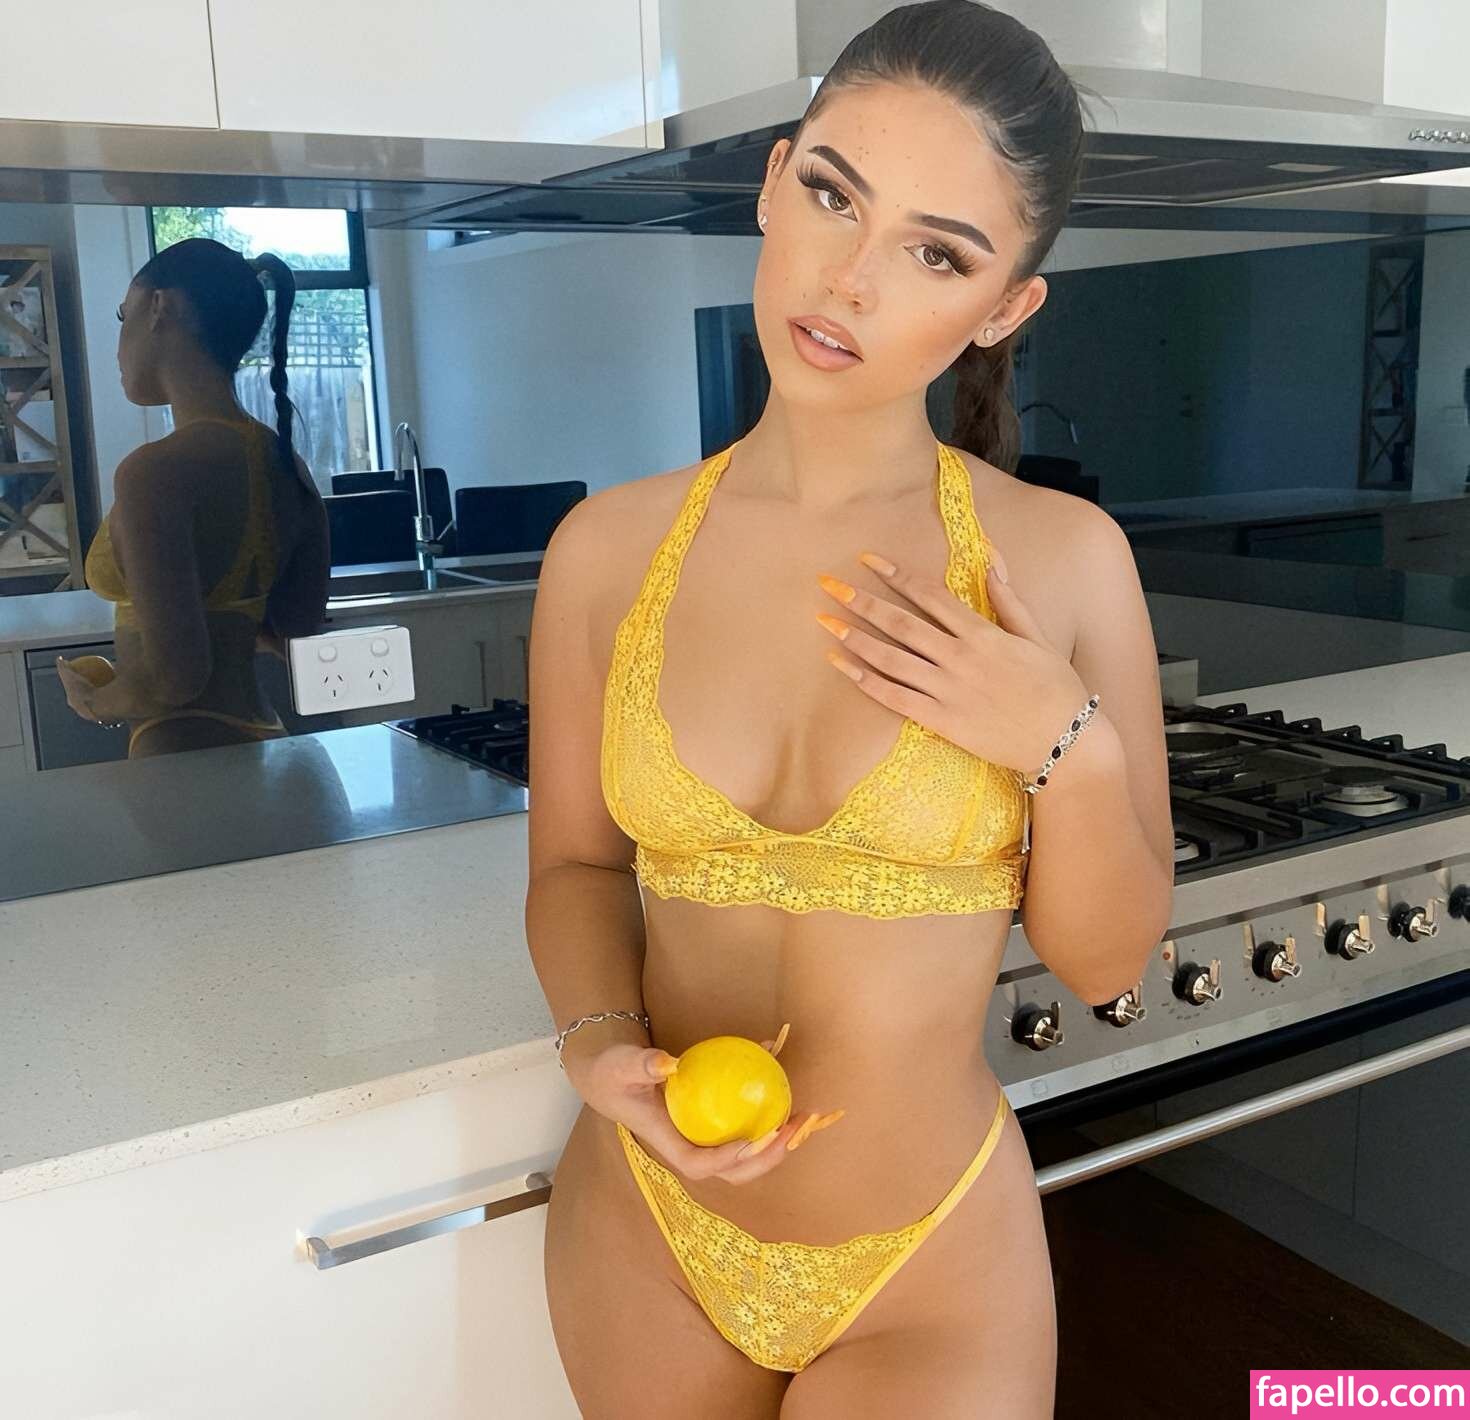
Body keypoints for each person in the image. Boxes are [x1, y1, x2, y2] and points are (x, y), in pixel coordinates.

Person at [528, 3, 1176, 1414]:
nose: (849, 281)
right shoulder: (604, 552)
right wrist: (597, 1051)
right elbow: (575, 867)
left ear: (1003, 309)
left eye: (937, 253)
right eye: (833, 195)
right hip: (642, 1227)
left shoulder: (1061, 562)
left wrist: (1066, 751)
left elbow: (1108, 961)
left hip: (926, 1264)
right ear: (773, 184)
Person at [59, 238, 329, 758]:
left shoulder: (153, 472)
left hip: (182, 754)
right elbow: (295, 626)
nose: (117, 345)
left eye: (123, 314)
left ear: (160, 306)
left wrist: (94, 700)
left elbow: (175, 679)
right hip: (268, 740)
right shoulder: (284, 462)